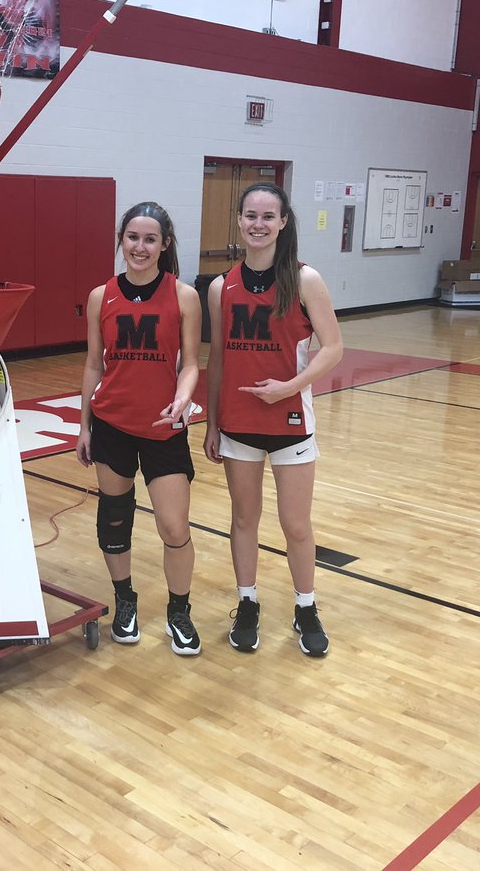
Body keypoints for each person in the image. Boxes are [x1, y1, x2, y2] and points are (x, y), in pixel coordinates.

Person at [204, 183, 344, 657]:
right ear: (239, 221)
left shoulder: (305, 280)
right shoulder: (222, 287)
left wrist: (289, 387)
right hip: (238, 423)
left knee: (295, 525)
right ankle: (248, 603)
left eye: (268, 216)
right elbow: (218, 359)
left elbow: (334, 347)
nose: (258, 224)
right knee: (244, 519)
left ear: (284, 222)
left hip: (290, 422)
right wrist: (211, 424)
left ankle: (306, 607)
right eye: (250, 216)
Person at [76, 202, 203, 656]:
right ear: (121, 241)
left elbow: (190, 363)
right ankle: (124, 599)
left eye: (150, 239)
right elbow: (94, 363)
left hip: (164, 427)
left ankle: (178, 611)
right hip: (112, 424)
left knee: (174, 526)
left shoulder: (183, 295)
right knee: (115, 520)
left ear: (164, 245)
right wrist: (84, 425)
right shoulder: (101, 296)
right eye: (133, 237)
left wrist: (184, 396)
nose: (140, 247)